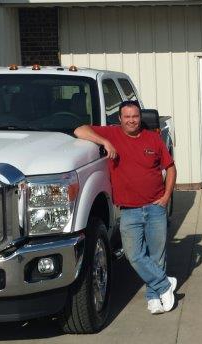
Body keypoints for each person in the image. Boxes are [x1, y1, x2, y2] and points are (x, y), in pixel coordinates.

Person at [74, 100, 177, 315]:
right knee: (134, 255)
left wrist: (167, 196)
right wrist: (105, 142)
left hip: (155, 206)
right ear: (120, 118)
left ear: (140, 117)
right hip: (129, 210)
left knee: (157, 255)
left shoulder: (153, 138)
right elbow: (79, 130)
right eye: (127, 116)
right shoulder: (112, 134)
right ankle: (165, 284)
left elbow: (170, 168)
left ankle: (154, 297)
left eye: (135, 116)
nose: (131, 120)